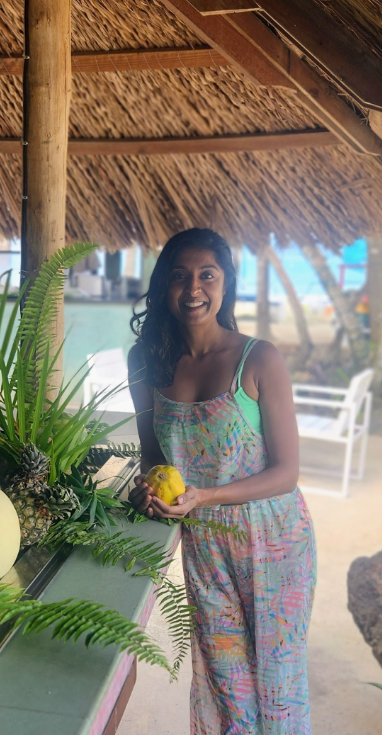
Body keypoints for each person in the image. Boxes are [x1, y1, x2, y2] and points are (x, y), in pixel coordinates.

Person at [127, 228, 316, 734]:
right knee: (223, 680)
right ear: (162, 286)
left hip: (274, 542)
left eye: (207, 275)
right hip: (205, 546)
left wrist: (207, 495)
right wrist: (147, 493)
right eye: (180, 276)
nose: (194, 289)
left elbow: (286, 473)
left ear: (226, 285)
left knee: (276, 683)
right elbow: (154, 458)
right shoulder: (145, 363)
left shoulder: (259, 359)